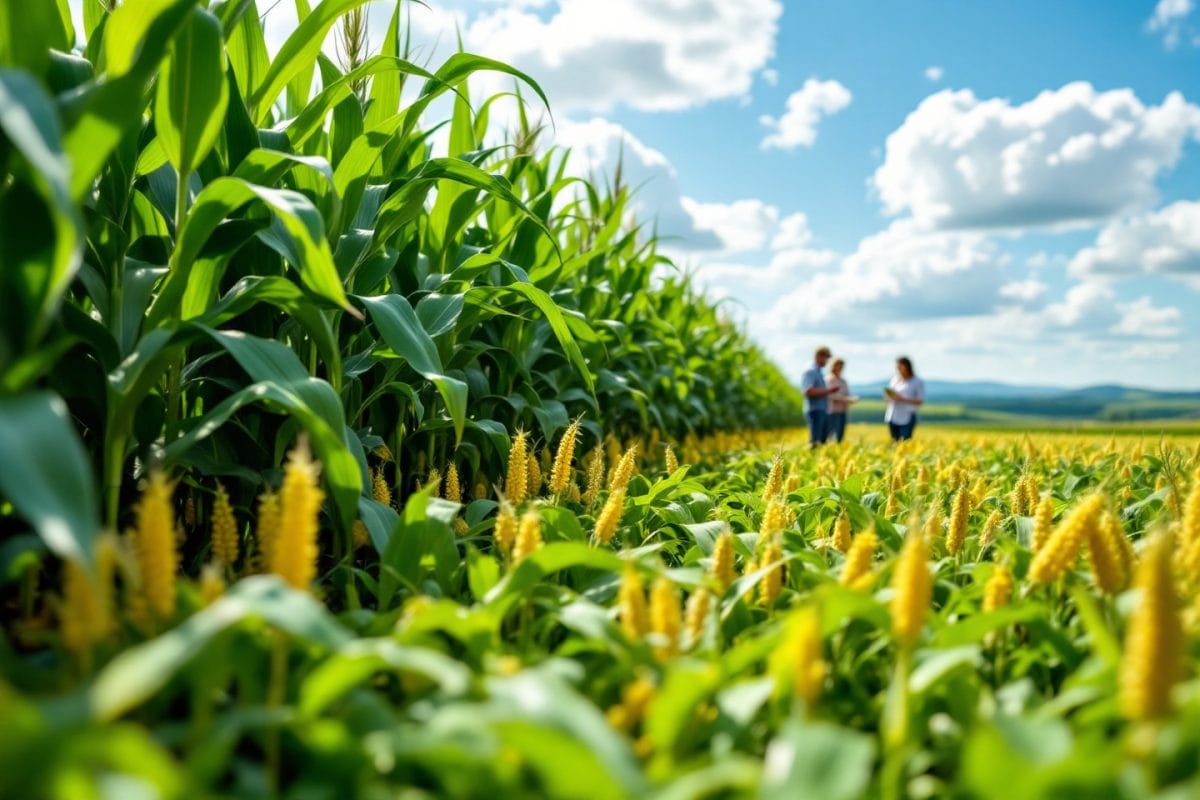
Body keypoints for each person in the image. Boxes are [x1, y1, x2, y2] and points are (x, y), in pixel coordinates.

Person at [800, 346, 841, 447]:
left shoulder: (818, 372)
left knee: (822, 441)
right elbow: (808, 391)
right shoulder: (810, 371)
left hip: (821, 410)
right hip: (815, 410)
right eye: (826, 358)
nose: (827, 361)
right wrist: (829, 390)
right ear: (819, 356)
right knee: (815, 441)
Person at [884, 356, 924, 442]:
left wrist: (902, 399)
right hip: (893, 414)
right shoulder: (895, 379)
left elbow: (920, 401)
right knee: (894, 441)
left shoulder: (917, 381)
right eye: (897, 366)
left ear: (907, 366)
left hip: (907, 416)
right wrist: (889, 396)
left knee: (905, 441)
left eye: (900, 366)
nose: (898, 368)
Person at [826, 358, 858, 443]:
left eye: (841, 366)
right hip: (832, 412)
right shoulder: (829, 379)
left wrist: (850, 399)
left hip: (843, 411)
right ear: (833, 366)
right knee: (831, 435)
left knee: (840, 436)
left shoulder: (843, 380)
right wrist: (847, 399)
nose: (840, 367)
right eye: (838, 365)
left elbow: (847, 393)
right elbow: (831, 395)